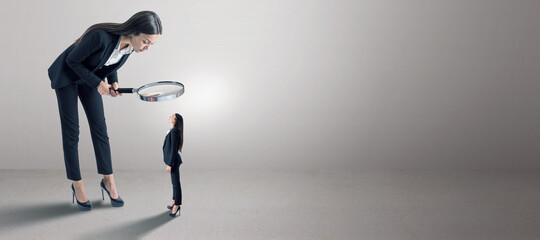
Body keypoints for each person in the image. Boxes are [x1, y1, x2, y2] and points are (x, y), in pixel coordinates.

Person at [48, 11, 162, 211]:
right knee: (72, 132)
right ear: (134, 32)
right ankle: (77, 185)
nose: (147, 48)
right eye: (146, 42)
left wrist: (112, 81)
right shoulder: (100, 36)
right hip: (66, 76)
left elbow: (109, 61)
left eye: (151, 44)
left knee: (100, 129)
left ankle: (108, 181)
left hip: (88, 76)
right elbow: (72, 61)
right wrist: (98, 84)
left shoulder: (130, 47)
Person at [164, 113, 184, 217]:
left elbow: (173, 150)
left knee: (176, 184)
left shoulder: (175, 132)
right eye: (171, 115)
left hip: (174, 162)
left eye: (173, 117)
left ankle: (177, 205)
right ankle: (173, 201)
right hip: (172, 161)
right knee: (174, 183)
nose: (170, 117)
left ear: (176, 121)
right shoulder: (172, 130)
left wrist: (170, 164)